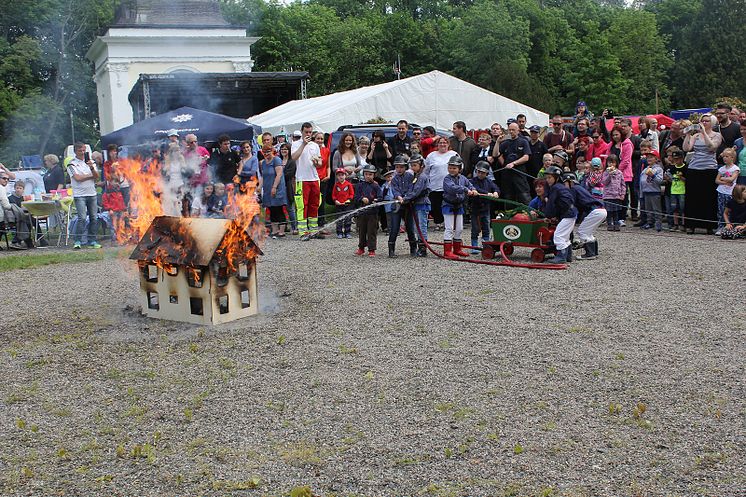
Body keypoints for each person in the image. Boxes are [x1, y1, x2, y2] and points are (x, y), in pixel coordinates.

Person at [682, 114, 722, 234]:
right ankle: (691, 224)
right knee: (693, 197)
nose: (704, 123)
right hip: (694, 168)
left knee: (708, 197)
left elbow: (712, 147)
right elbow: (686, 148)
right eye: (703, 121)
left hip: (709, 169)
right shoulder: (696, 136)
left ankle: (709, 225)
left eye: (707, 121)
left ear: (712, 123)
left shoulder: (717, 135)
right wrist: (688, 134)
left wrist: (704, 132)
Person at [441, 155, 478, 259]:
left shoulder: (463, 178)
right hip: (448, 205)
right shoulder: (447, 179)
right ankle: (447, 251)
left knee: (459, 228)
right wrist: (466, 190)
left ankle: (457, 249)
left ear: (460, 168)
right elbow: (452, 188)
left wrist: (473, 189)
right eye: (450, 167)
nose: (451, 170)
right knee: (449, 228)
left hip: (459, 206)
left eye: (454, 168)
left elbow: (469, 184)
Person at [562, 173, 606, 260]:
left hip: (595, 211)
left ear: (570, 182)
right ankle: (594, 251)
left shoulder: (573, 189)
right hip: (602, 210)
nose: (564, 186)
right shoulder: (580, 188)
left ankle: (590, 254)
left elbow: (572, 205)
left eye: (565, 183)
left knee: (583, 231)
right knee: (588, 232)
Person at [67, 142, 101, 249]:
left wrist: (91, 168)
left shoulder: (91, 162)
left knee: (94, 218)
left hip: (92, 193)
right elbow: (78, 178)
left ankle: (93, 240)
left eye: (83, 150)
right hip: (79, 194)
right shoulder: (71, 164)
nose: (82, 153)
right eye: (79, 151)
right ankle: (78, 240)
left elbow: (96, 176)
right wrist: (90, 176)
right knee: (82, 217)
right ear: (75, 151)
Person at [543, 166, 577, 263]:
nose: (548, 180)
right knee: (565, 235)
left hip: (567, 214)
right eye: (547, 178)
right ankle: (568, 255)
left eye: (550, 178)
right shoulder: (561, 187)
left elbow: (551, 204)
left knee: (558, 235)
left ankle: (561, 257)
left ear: (556, 178)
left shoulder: (555, 188)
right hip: (571, 213)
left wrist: (548, 216)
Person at [291, 122, 321, 230]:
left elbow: (320, 162)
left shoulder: (315, 145)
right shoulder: (296, 143)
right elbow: (294, 157)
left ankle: (313, 229)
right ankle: (303, 231)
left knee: (315, 204)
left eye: (310, 132)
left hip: (314, 178)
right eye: (306, 132)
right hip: (302, 179)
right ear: (302, 132)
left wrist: (317, 162)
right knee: (302, 206)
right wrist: (303, 144)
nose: (308, 134)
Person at [424, 136, 456, 231]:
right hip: (435, 185)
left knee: (449, 205)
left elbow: (459, 168)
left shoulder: (453, 154)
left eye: (444, 143)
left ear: (448, 144)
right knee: (436, 205)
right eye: (440, 143)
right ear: (437, 144)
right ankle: (438, 223)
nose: (442, 144)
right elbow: (426, 170)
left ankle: (448, 223)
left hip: (450, 186)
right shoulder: (431, 155)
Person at [402, 153, 431, 257]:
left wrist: (406, 198)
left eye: (415, 165)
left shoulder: (422, 177)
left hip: (422, 204)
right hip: (416, 204)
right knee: (416, 226)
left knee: (422, 226)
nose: (412, 167)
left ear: (421, 165)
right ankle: (420, 247)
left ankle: (423, 249)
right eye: (412, 165)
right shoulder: (416, 176)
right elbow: (411, 189)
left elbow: (416, 191)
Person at [469, 161, 500, 254]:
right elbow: (476, 189)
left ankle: (486, 245)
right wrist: (487, 194)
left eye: (482, 172)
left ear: (487, 173)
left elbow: (496, 188)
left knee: (486, 227)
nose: (480, 174)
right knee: (475, 228)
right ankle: (474, 246)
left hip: (486, 209)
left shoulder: (489, 181)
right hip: (475, 209)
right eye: (478, 172)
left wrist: (496, 192)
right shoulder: (472, 181)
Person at [389, 155, 416, 257]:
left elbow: (411, 188)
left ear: (406, 167)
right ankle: (391, 251)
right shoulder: (394, 179)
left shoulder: (410, 177)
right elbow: (394, 190)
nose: (399, 169)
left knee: (410, 228)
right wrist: (399, 197)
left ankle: (413, 249)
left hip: (408, 206)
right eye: (397, 167)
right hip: (396, 206)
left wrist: (406, 198)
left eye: (401, 167)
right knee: (394, 228)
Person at [498, 122, 531, 204]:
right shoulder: (505, 143)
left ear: (518, 130)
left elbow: (526, 157)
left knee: (524, 196)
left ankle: (528, 213)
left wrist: (514, 163)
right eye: (510, 130)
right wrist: (497, 142)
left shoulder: (523, 141)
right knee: (508, 197)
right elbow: (497, 154)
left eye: (513, 130)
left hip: (519, 173)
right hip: (507, 175)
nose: (511, 132)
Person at [258, 145, 287, 238]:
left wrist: (274, 187)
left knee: (278, 208)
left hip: (277, 188)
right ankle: (274, 230)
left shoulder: (277, 160)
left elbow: (279, 174)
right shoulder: (263, 163)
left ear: (272, 151)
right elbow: (263, 176)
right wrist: (259, 187)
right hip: (267, 188)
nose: (266, 154)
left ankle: (282, 231)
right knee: (271, 209)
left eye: (268, 152)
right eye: (264, 152)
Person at [353, 164, 382, 257]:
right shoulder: (360, 185)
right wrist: (362, 199)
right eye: (366, 174)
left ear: (374, 175)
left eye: (370, 174)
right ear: (363, 175)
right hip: (362, 213)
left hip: (373, 214)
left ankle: (371, 249)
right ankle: (361, 248)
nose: (368, 176)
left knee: (371, 231)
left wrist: (376, 200)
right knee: (361, 231)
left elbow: (381, 197)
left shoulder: (376, 186)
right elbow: (356, 197)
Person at [715, 148, 740, 235]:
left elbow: (732, 179)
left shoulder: (735, 168)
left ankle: (729, 226)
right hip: (721, 191)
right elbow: (717, 180)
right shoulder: (721, 169)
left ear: (732, 158)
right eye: (723, 156)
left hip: (730, 192)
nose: (724, 158)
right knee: (720, 209)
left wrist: (722, 178)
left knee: (729, 210)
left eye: (727, 156)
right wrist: (724, 180)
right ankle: (720, 226)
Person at [638, 150, 664, 231]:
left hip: (654, 192)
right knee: (648, 209)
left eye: (651, 157)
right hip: (646, 191)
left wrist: (653, 176)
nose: (649, 159)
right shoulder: (645, 169)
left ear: (656, 159)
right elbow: (641, 181)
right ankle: (649, 222)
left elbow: (660, 181)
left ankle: (658, 224)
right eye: (648, 157)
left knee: (656, 209)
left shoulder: (659, 169)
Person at [664, 148, 687, 231]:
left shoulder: (685, 167)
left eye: (678, 159)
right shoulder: (672, 168)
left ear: (682, 158)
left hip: (682, 190)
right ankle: (675, 224)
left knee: (683, 208)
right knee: (674, 208)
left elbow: (688, 180)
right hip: (673, 190)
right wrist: (667, 178)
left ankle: (684, 224)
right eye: (675, 159)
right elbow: (670, 179)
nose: (676, 160)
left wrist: (681, 177)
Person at [278, 143, 299, 234]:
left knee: (290, 208)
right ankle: (283, 227)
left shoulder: (292, 162)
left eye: (286, 149)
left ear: (289, 151)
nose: (284, 151)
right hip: (278, 187)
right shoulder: (278, 160)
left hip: (288, 187)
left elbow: (289, 175)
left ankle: (295, 227)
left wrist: (278, 175)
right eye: (282, 149)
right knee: (279, 208)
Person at [602, 155, 625, 231]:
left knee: (616, 211)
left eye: (613, 163)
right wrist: (609, 175)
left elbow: (622, 184)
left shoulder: (619, 173)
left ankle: (616, 224)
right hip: (608, 196)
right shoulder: (605, 172)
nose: (611, 164)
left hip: (617, 195)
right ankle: (609, 224)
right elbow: (604, 182)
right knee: (609, 211)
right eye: (609, 162)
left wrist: (622, 194)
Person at [331, 167, 355, 239]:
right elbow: (333, 195)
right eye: (339, 175)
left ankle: (347, 232)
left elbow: (352, 194)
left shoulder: (348, 184)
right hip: (339, 205)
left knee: (348, 219)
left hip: (347, 204)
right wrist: (335, 201)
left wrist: (349, 200)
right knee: (339, 219)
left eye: (342, 175)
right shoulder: (336, 185)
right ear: (337, 176)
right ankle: (339, 232)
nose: (340, 176)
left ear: (345, 175)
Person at [734, 119, 746, 185]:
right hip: (740, 174)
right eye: (741, 129)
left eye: (745, 129)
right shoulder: (737, 142)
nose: (743, 131)